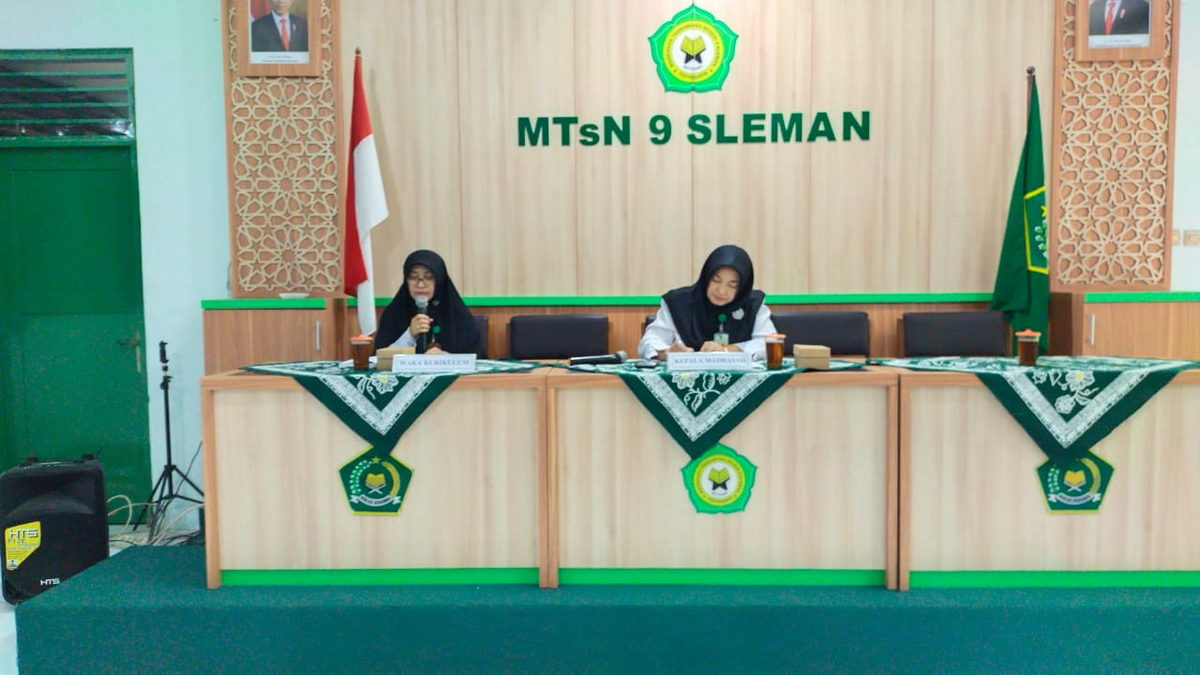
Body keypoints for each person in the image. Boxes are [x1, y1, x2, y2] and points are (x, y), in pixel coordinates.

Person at [638, 245, 776, 361]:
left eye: (732, 285)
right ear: (706, 277)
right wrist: (666, 352)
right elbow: (650, 342)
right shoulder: (678, 302)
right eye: (716, 280)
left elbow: (770, 343)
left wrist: (727, 349)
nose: (721, 291)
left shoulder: (752, 304)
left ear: (743, 287)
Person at [374, 250, 480, 355]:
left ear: (439, 280)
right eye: (413, 277)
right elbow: (379, 359)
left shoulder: (458, 314)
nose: (420, 285)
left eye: (429, 278)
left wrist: (444, 357)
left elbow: (475, 359)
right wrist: (409, 335)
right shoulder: (394, 313)